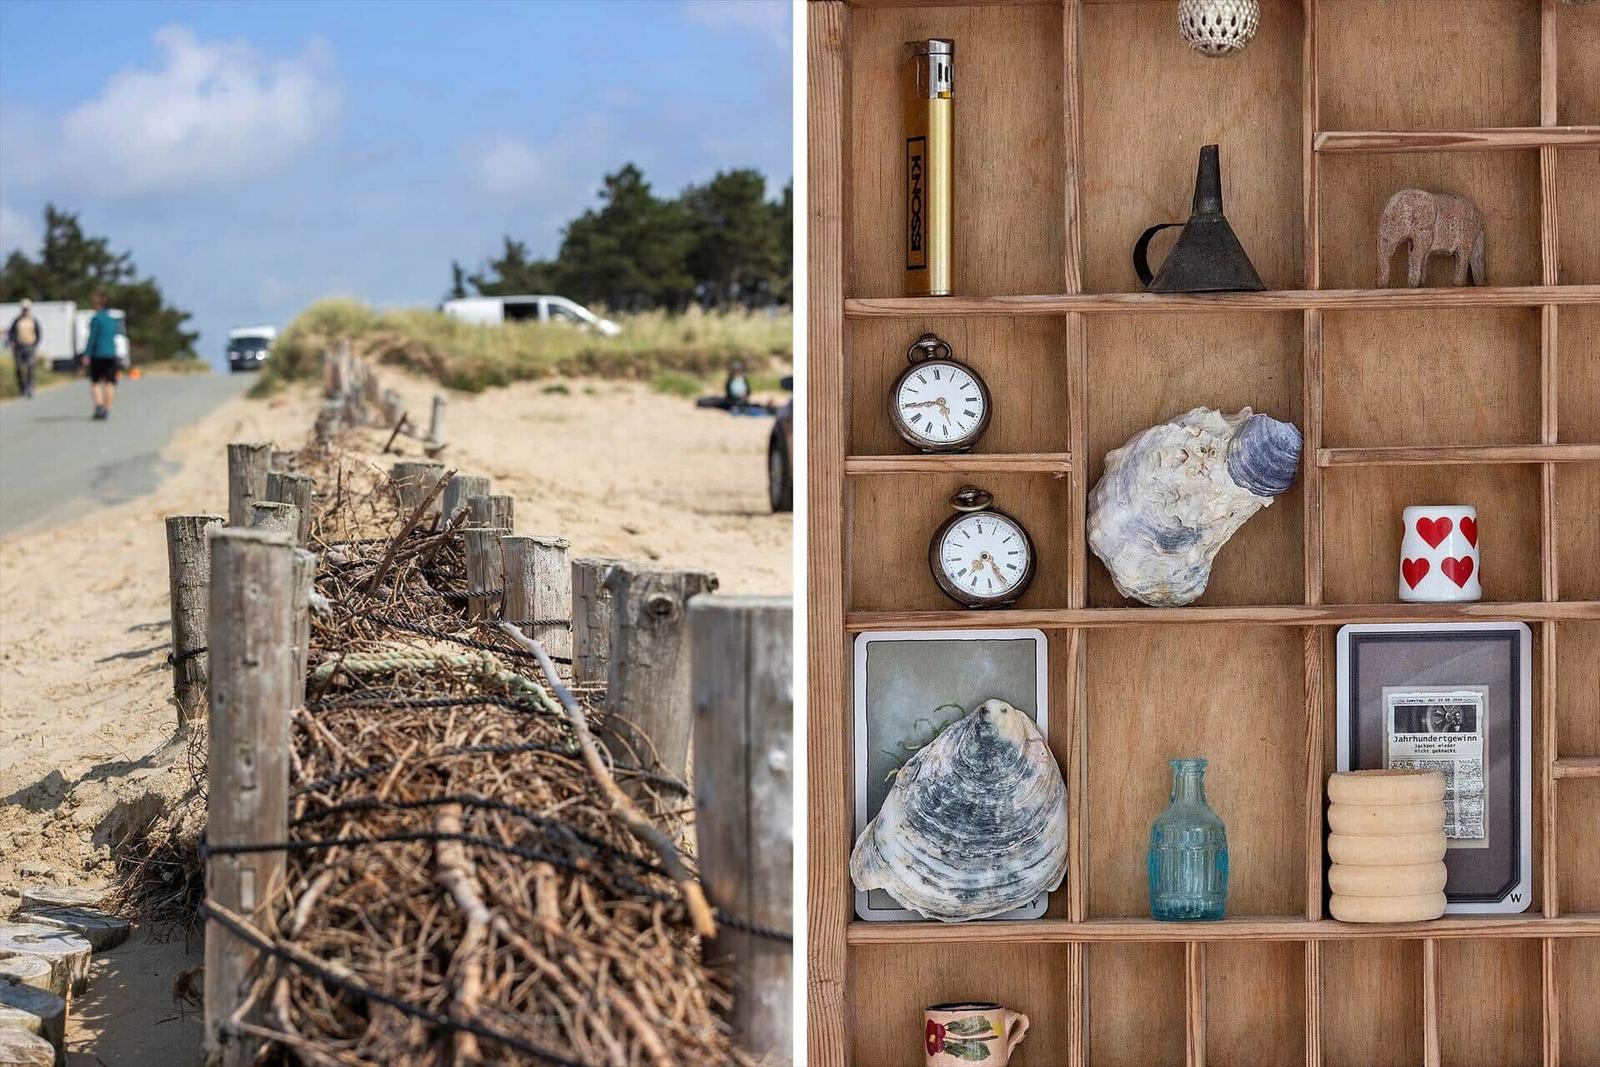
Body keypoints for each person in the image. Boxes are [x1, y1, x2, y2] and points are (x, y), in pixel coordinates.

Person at [81, 291, 119, 420]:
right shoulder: (112, 320)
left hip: (98, 354)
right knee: (110, 382)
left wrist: (87, 354)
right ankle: (107, 409)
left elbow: (92, 338)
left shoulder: (96, 319)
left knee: (95, 382)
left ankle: (99, 406)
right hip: (111, 354)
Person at [6, 298, 41, 399]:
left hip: (30, 346)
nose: (25, 310)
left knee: (31, 367)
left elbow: (38, 333)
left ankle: (31, 388)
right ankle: (23, 388)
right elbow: (11, 333)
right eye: (23, 309)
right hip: (19, 347)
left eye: (27, 309)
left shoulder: (33, 320)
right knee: (19, 368)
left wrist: (36, 343)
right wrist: (12, 341)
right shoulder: (17, 320)